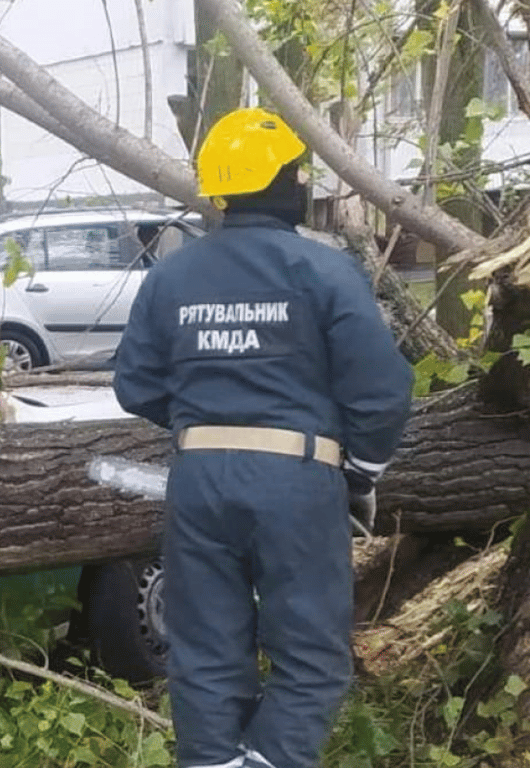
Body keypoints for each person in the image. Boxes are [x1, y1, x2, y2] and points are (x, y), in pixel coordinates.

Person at [113, 107, 413, 768]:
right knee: (310, 657)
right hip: (296, 483)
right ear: (284, 183)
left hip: (199, 483)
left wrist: (210, 425)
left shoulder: (172, 276)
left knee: (207, 656)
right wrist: (359, 473)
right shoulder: (324, 271)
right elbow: (383, 390)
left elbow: (135, 385)